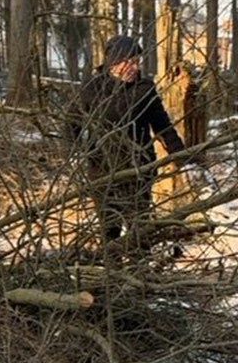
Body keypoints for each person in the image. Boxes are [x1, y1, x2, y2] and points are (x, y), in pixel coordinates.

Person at [71, 34, 186, 244]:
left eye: (137, 62)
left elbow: (163, 126)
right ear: (114, 62)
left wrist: (183, 157)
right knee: (109, 228)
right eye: (129, 62)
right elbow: (72, 123)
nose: (134, 67)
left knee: (139, 228)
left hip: (138, 169)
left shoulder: (144, 89)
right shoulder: (92, 87)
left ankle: (139, 270)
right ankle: (113, 273)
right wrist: (74, 153)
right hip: (102, 169)